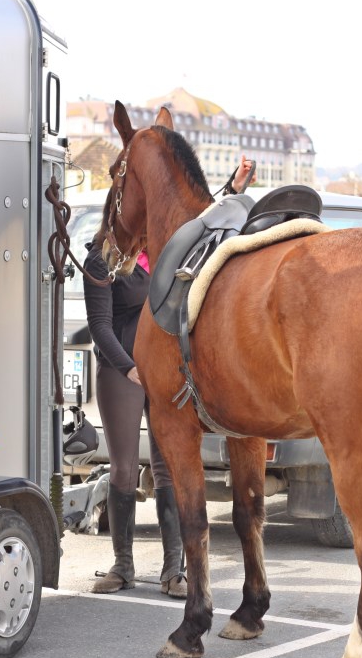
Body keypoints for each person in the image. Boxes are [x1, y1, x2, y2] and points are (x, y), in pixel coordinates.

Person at [83, 156, 254, 597]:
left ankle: (173, 569)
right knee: (124, 469)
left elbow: (201, 220)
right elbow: (100, 326)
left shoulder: (163, 255)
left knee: (168, 470)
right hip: (122, 372)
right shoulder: (101, 260)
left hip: (162, 374)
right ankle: (122, 565)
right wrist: (130, 368)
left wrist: (232, 189)